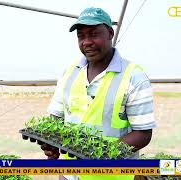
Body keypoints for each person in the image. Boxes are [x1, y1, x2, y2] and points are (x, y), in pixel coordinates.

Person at [41, 6, 156, 180]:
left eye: (94, 34)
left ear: (110, 33)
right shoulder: (70, 72)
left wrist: (102, 155)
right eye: (81, 36)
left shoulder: (134, 76)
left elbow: (143, 133)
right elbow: (55, 117)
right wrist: (49, 140)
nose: (86, 42)